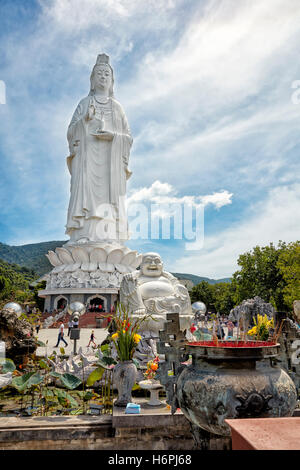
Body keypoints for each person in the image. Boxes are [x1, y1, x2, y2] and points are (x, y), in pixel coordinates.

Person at [65, 53, 133, 243]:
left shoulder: (117, 107)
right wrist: (84, 120)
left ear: (112, 81)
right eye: (99, 74)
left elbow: (128, 137)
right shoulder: (84, 103)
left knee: (110, 199)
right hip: (87, 159)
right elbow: (70, 132)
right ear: (92, 80)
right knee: (86, 194)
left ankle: (110, 235)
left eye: (106, 74)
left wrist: (113, 136)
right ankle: (84, 233)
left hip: (111, 160)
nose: (103, 77)